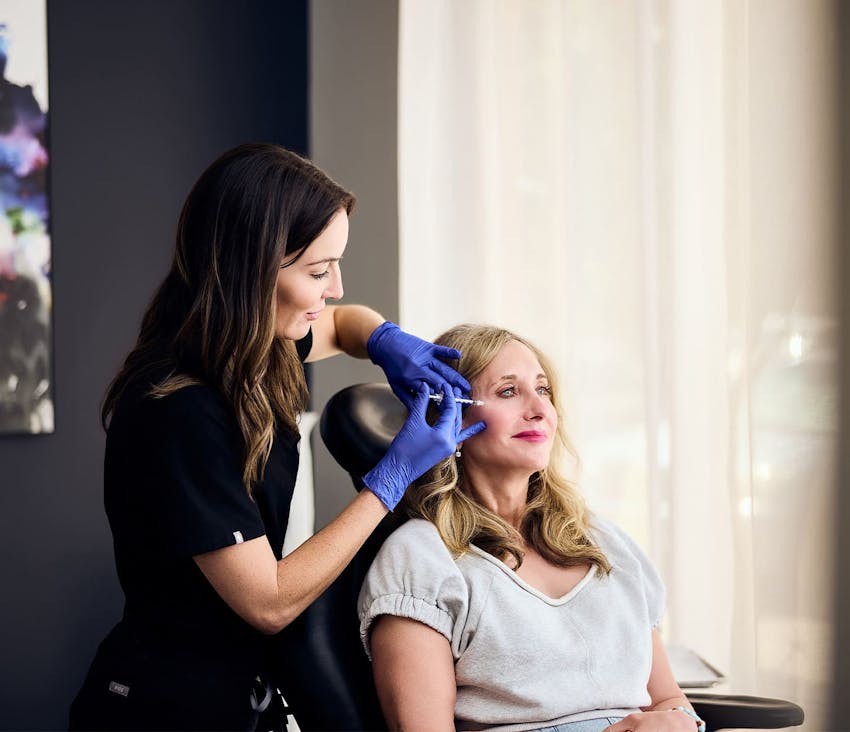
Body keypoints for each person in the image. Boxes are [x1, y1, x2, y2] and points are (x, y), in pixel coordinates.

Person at [68, 143, 484, 731]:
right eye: (318, 271)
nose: (335, 287)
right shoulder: (181, 411)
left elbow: (342, 322)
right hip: (163, 709)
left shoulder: (255, 347)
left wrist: (386, 339)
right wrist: (389, 480)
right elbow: (268, 601)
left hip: (242, 697)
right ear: (252, 268)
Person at [358, 324, 706, 732]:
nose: (539, 409)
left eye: (542, 390)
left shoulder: (605, 542)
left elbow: (667, 698)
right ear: (450, 416)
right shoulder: (421, 558)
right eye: (508, 391)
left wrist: (681, 721)